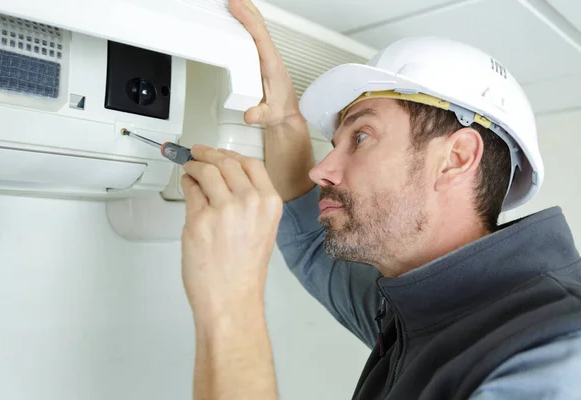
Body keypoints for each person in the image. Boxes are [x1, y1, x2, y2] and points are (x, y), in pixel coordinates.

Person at [178, 0, 581, 399]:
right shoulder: (424, 305)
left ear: (455, 158)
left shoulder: (557, 352)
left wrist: (229, 302)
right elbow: (311, 242)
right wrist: (284, 121)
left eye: (361, 137)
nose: (319, 171)